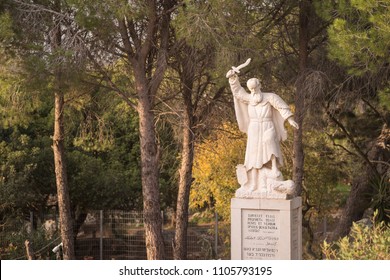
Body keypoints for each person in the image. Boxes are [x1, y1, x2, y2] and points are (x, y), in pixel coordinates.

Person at [226, 69, 299, 193]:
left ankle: (274, 168)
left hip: (267, 125)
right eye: (251, 89)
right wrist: (233, 78)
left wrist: (290, 119)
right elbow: (238, 92)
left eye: (255, 88)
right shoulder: (249, 98)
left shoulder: (270, 97)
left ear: (259, 85)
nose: (254, 91)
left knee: (270, 141)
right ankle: (254, 184)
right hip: (254, 128)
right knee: (253, 156)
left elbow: (281, 106)